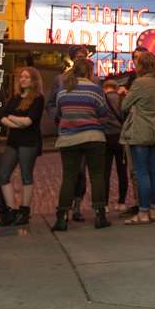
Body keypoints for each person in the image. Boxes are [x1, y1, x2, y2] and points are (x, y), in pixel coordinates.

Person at [52, 58, 111, 231]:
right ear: (89, 72)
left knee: (69, 177)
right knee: (97, 176)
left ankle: (62, 217)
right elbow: (103, 116)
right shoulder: (96, 89)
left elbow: (58, 115)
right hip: (93, 137)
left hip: (68, 139)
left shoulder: (63, 90)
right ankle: (100, 216)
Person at [45, 45, 98, 222]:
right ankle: (64, 210)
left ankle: (76, 206)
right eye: (77, 57)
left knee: (81, 172)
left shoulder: (94, 80)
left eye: (83, 57)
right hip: (67, 131)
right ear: (71, 60)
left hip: (87, 131)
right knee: (70, 173)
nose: (80, 60)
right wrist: (58, 117)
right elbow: (51, 104)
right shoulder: (60, 80)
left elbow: (99, 106)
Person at [120, 51, 155, 225]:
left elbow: (125, 105)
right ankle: (154, 210)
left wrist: (132, 102)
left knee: (141, 173)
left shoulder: (139, 83)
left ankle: (143, 213)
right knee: (154, 171)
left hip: (140, 131)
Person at [0, 67, 45, 227]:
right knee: (2, 175)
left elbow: (29, 121)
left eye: (26, 77)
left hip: (29, 142)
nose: (22, 79)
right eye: (21, 77)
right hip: (14, 141)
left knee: (26, 176)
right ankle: (10, 211)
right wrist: (16, 122)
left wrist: (12, 119)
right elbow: (2, 117)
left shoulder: (38, 98)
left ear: (34, 80)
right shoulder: (15, 98)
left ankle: (24, 211)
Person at [101, 79, 134, 214]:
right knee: (122, 172)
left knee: (105, 173)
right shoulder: (122, 98)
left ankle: (104, 203)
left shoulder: (102, 99)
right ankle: (121, 202)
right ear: (116, 88)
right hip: (121, 138)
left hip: (106, 138)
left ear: (104, 88)